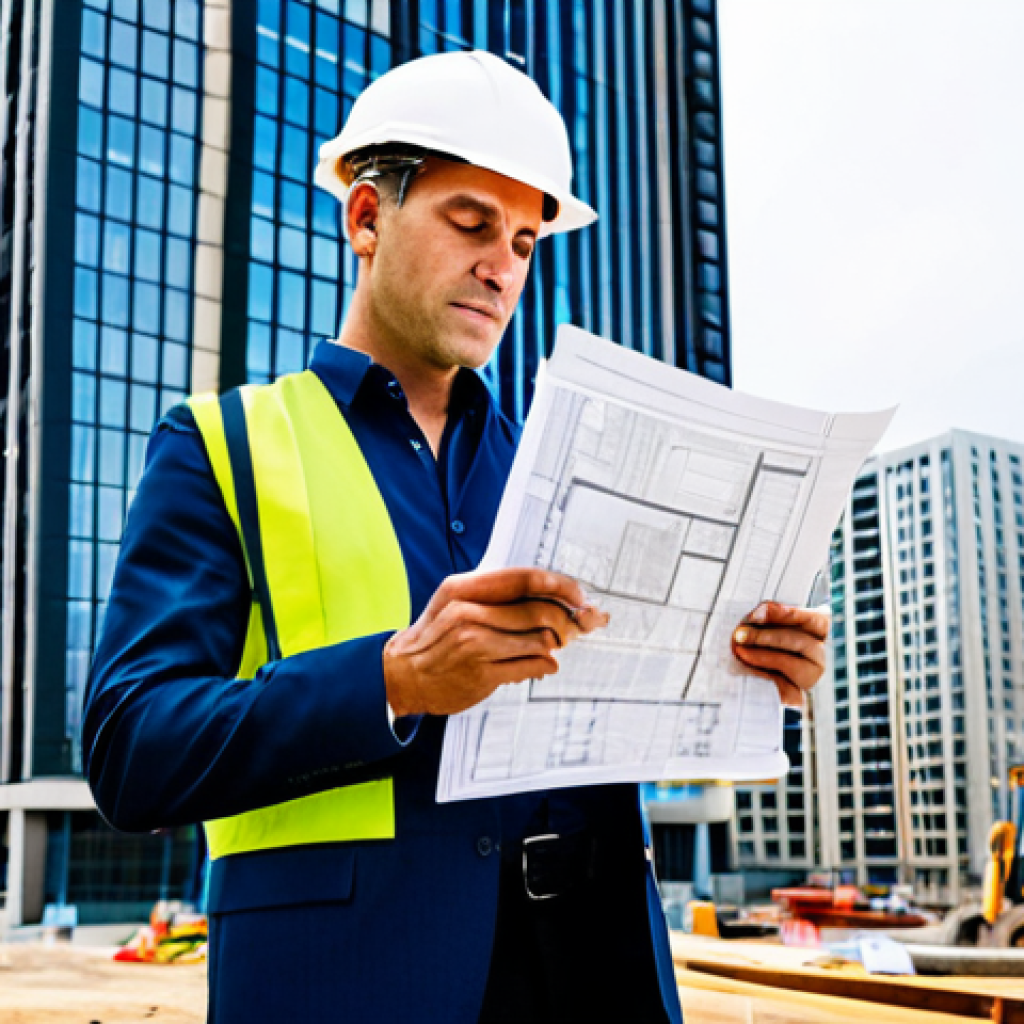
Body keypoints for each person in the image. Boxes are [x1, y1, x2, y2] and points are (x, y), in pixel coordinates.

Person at [83, 51, 828, 1023]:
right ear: (364, 216)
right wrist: (391, 678)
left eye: (524, 240)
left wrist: (745, 660)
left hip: (590, 974)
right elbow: (132, 747)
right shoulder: (224, 444)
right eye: (471, 223)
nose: (501, 266)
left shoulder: (557, 464)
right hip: (350, 979)